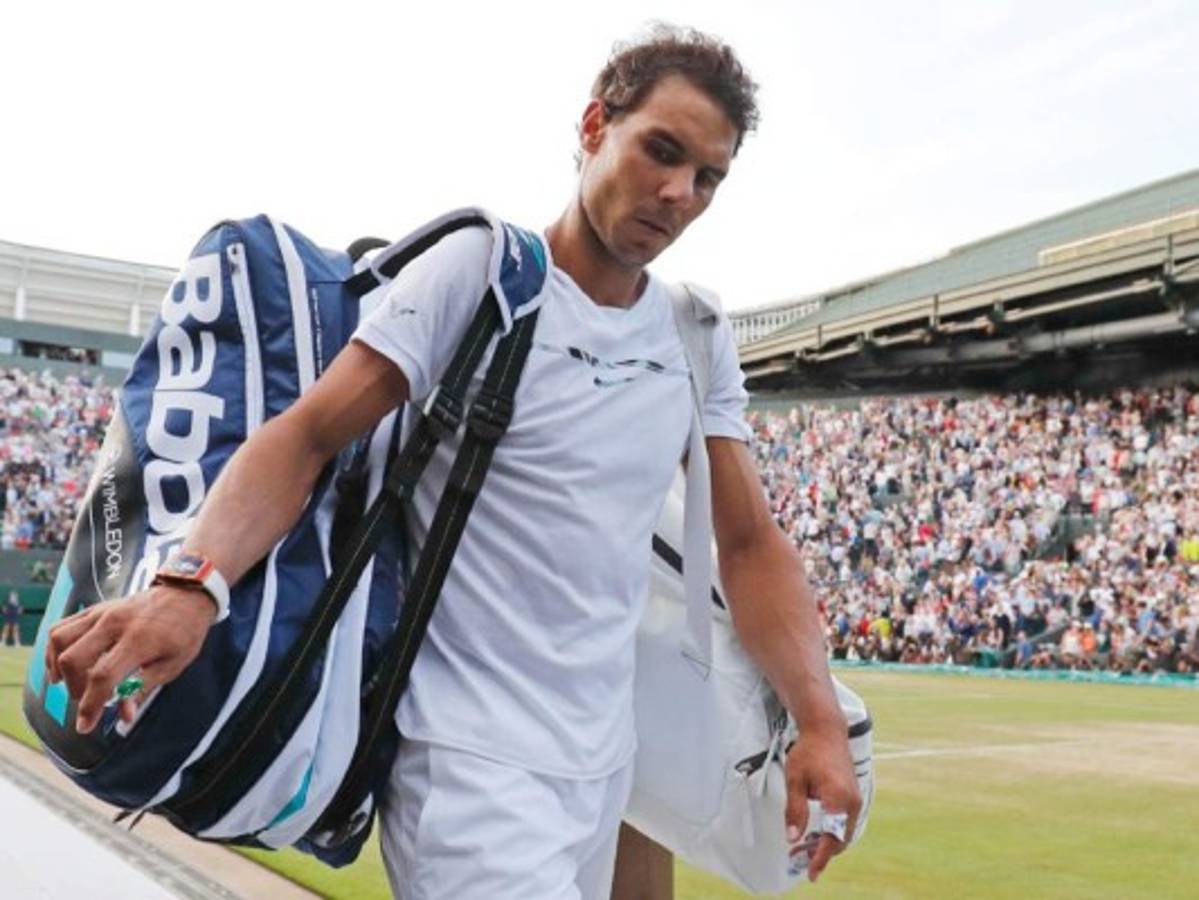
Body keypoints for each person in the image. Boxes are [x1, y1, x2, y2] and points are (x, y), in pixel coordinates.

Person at [42, 25, 860, 900]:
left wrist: (819, 721)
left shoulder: (694, 334)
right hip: (468, 771)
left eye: (707, 178)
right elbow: (306, 435)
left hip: (611, 767)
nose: (677, 193)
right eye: (660, 151)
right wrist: (189, 584)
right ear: (594, 126)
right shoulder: (483, 273)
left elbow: (748, 543)